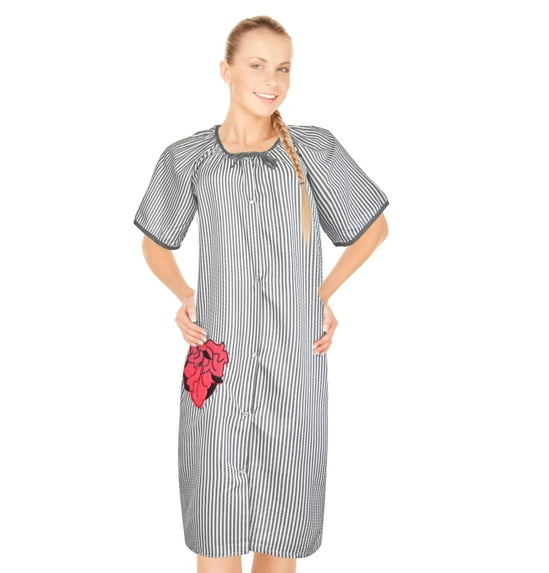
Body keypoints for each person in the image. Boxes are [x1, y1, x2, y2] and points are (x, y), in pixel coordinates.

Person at [134, 15, 389, 573]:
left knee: (282, 533)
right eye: (256, 64)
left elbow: (373, 229)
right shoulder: (187, 158)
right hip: (217, 367)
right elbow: (155, 244)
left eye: (283, 68)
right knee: (216, 531)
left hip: (293, 369)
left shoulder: (314, 151)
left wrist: (321, 294)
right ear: (226, 70)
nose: (271, 79)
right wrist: (184, 293)